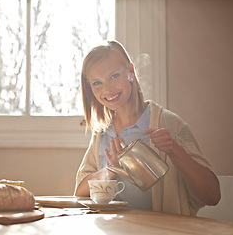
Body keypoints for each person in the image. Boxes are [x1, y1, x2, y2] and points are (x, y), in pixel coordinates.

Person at [74, 40, 221, 216]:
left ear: (131, 72)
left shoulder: (169, 123)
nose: (108, 89)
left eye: (114, 76)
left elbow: (212, 196)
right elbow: (80, 191)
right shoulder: (102, 133)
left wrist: (174, 150)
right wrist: (110, 170)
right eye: (97, 83)